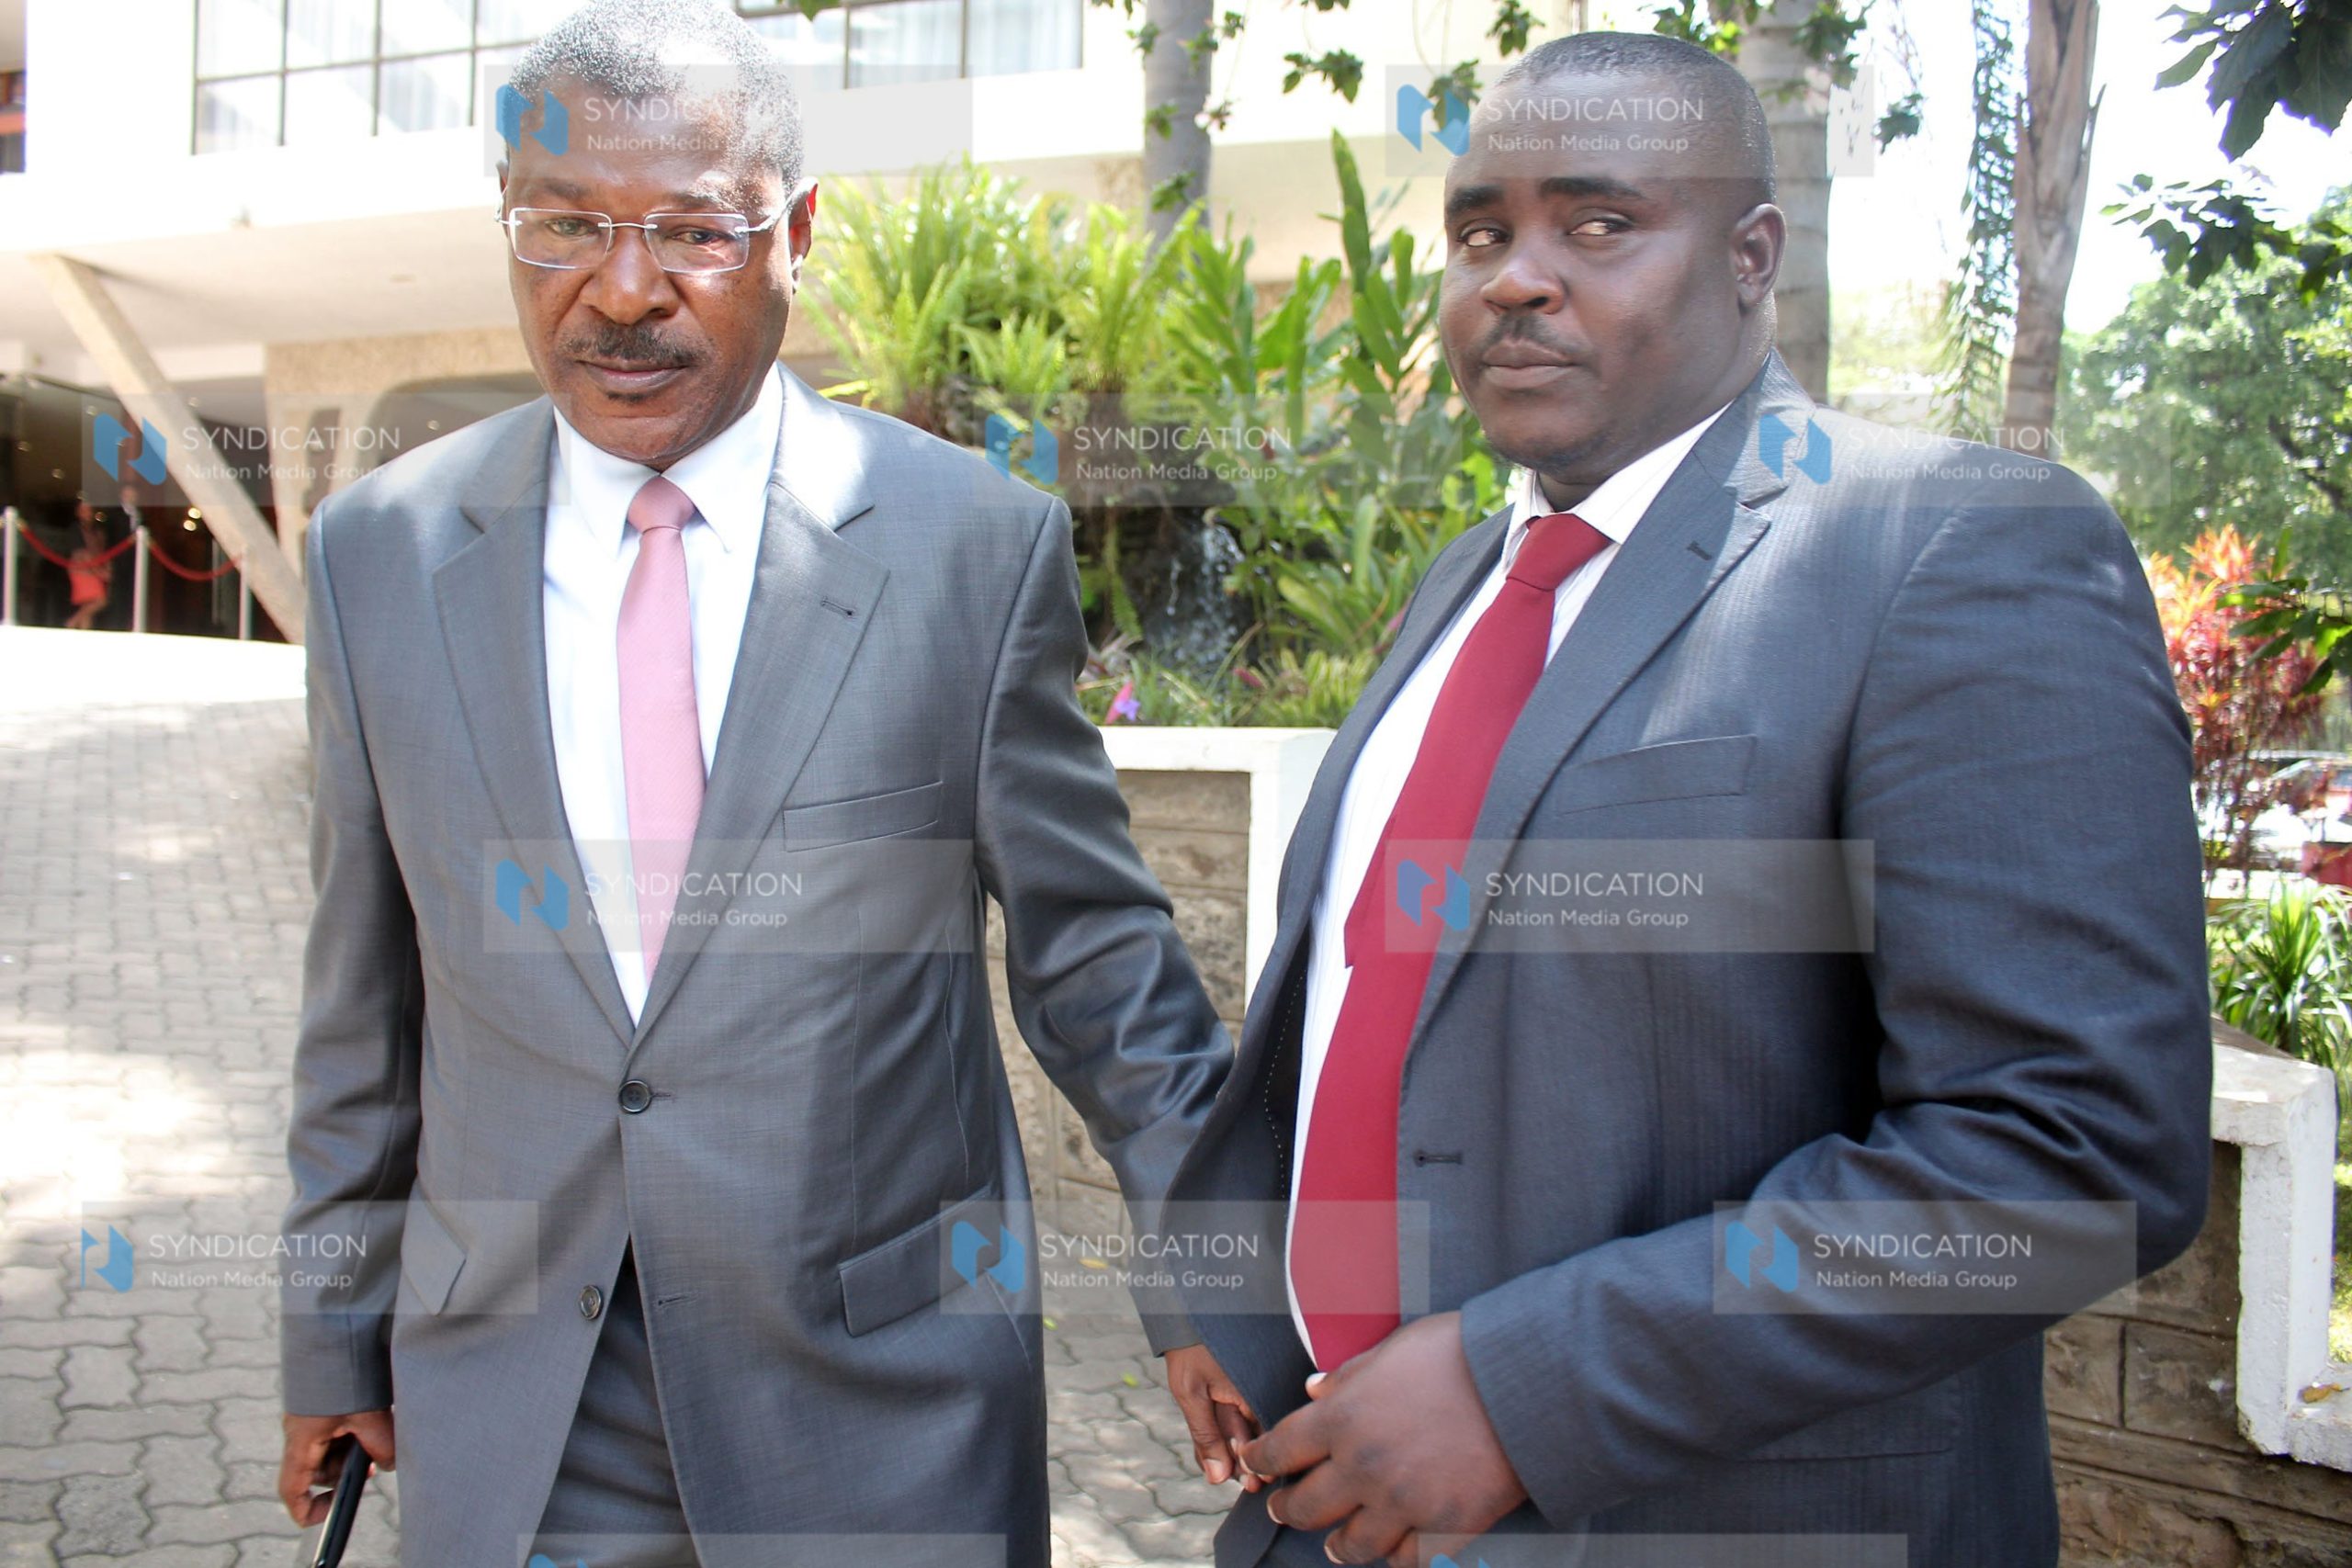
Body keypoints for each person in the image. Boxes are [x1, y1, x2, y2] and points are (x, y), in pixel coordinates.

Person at [1163, 32, 2212, 1568]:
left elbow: (2075, 1155)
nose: (1514, 278)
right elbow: (1369, 1008)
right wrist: (1241, 1286)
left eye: (1597, 225)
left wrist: (1526, 1393)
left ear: (1749, 256)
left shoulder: (1952, 550)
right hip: (1325, 1516)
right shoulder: (1469, 579)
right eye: (1478, 232)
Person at [272, 3, 1243, 1563]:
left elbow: (1103, 965)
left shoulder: (967, 550)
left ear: (797, 231)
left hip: (876, 1411)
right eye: (563, 226)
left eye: (692, 232)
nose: (624, 289)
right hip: (522, 1405)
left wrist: (1224, 1284)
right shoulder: (381, 553)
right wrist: (332, 1327)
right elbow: (364, 1000)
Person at [63, 503, 111, 631]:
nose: (87, 513)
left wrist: (105, 568)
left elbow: (101, 551)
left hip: (94, 568)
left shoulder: (96, 530)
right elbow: (80, 553)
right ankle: (72, 622)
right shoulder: (75, 529)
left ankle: (84, 632)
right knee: (100, 600)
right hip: (81, 570)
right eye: (83, 510)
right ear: (78, 513)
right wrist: (99, 572)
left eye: (89, 510)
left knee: (88, 603)